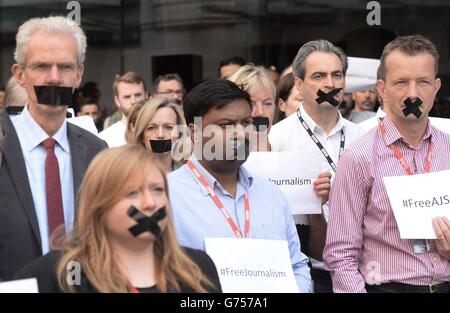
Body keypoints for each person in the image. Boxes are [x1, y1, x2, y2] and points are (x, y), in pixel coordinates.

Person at [323, 34, 450, 293]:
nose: (412, 94)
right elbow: (340, 255)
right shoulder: (358, 157)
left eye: (423, 82)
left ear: (436, 87)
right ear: (381, 88)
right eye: (401, 82)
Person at [167, 79, 312, 292]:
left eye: (245, 123)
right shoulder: (167, 197)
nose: (240, 134)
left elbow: (297, 265)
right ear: (195, 131)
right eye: (225, 125)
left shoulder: (271, 195)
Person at [16, 145, 221, 293]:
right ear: (99, 204)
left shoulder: (197, 268)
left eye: (158, 190)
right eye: (132, 193)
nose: (150, 203)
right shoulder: (61, 274)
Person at [0, 16, 107, 281]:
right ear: (20, 74)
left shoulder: (96, 151)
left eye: (66, 67)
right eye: (42, 66)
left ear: (78, 75)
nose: (54, 78)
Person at [268, 39, 365, 293]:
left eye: (336, 75)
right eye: (319, 76)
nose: (329, 84)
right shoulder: (276, 139)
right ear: (299, 84)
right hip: (306, 272)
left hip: (363, 271)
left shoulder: (363, 138)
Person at [127, 97, 188, 172]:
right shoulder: (128, 175)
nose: (160, 135)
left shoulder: (190, 176)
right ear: (142, 136)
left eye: (168, 127)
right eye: (151, 128)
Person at [228, 64, 276, 151]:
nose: (260, 112)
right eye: (251, 103)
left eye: (267, 103)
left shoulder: (285, 146)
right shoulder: (217, 155)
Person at [99, 72, 147, 147]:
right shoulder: (105, 138)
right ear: (117, 101)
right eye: (127, 97)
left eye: (138, 95)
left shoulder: (159, 132)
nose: (133, 101)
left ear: (146, 95)